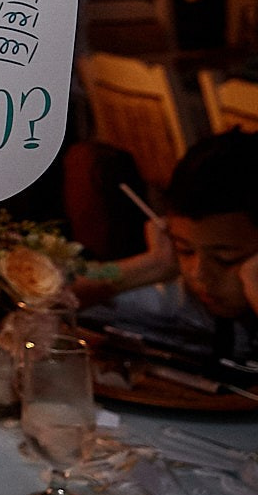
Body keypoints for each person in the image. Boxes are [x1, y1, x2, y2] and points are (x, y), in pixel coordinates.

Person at [81, 130, 258, 361]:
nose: (198, 274)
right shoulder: (178, 290)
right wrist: (154, 264)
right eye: (185, 250)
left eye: (225, 260)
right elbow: (45, 298)